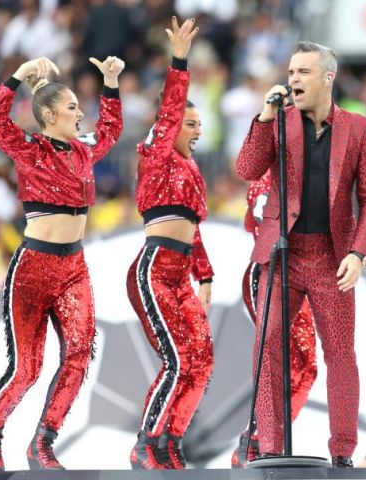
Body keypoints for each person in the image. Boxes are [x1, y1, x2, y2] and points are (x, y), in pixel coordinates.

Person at [234, 41, 366, 467]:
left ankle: (342, 453)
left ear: (327, 78)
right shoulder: (279, 122)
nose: (293, 79)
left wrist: (358, 252)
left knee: (340, 353)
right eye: (291, 71)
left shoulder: (357, 128)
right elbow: (246, 169)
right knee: (269, 348)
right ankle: (271, 449)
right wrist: (264, 118)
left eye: (303, 72)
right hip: (282, 252)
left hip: (331, 255)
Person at [0, 54, 123, 471]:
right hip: (33, 268)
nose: (81, 114)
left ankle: (43, 442)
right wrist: (19, 77)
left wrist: (111, 83)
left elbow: (111, 130)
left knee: (80, 352)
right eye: (73, 107)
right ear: (48, 114)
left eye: (81, 107)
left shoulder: (84, 151)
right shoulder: (28, 149)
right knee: (26, 369)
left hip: (73, 268)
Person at [125, 17, 214, 470]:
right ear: (172, 125)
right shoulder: (157, 155)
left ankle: (171, 442)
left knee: (202, 360)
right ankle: (145, 443)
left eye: (199, 124)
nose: (197, 130)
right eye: (191, 123)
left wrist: (206, 275)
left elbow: (194, 228)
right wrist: (179, 59)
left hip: (182, 274)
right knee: (178, 359)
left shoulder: (193, 172)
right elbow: (170, 105)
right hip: (155, 269)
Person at [230, 169, 318, 468]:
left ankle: (265, 441)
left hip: (288, 273)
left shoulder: (272, 178)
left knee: (303, 368)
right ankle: (255, 444)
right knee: (281, 363)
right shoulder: (285, 175)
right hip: (273, 272)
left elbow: (248, 222)